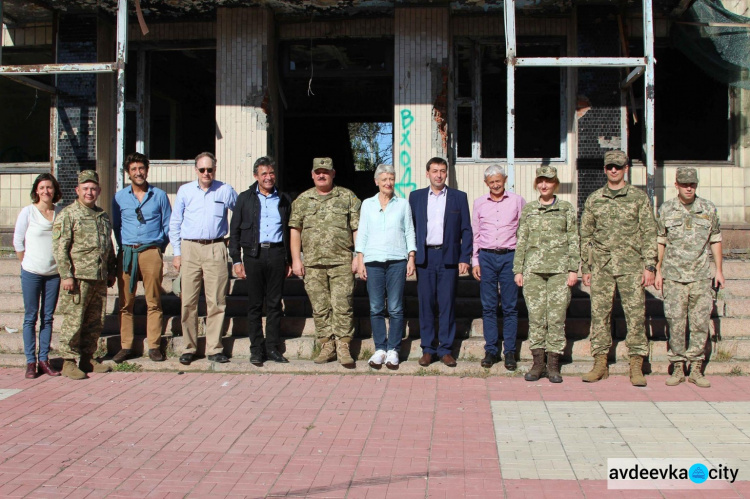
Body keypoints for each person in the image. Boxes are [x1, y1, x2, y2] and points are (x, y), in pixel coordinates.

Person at [580, 150, 657, 386]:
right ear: (605, 170)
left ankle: (636, 365)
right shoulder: (594, 199)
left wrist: (650, 265)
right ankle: (600, 363)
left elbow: (649, 232)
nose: (614, 170)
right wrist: (586, 266)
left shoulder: (638, 198)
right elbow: (586, 235)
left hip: (631, 265)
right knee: (599, 315)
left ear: (626, 169)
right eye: (610, 167)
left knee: (635, 316)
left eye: (618, 166)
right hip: (602, 266)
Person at [656, 167, 724, 388]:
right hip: (674, 276)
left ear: (696, 185)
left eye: (692, 184)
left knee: (699, 323)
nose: (688, 188)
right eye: (684, 184)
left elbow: (715, 239)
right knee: (675, 322)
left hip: (701, 276)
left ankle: (695, 367)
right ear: (676, 185)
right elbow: (660, 241)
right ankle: (677, 366)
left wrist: (719, 270)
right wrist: (658, 270)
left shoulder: (707, 209)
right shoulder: (666, 209)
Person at [289, 157, 361, 367]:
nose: (322, 175)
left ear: (333, 173)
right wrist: (296, 259)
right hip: (312, 263)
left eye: (326, 172)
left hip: (341, 262)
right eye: (318, 172)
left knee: (343, 305)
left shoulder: (347, 197)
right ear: (312, 174)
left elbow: (357, 228)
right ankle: (327, 345)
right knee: (320, 307)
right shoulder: (302, 200)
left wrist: (358, 256)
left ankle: (344, 346)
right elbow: (295, 230)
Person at [170, 152, 237, 365]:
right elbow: (175, 222)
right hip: (190, 248)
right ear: (196, 170)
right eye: (202, 170)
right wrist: (177, 253)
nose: (206, 173)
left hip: (216, 247)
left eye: (210, 169)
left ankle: (214, 348)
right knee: (188, 301)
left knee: (216, 301)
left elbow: (242, 212)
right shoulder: (185, 191)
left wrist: (234, 240)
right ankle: (189, 347)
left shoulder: (225, 190)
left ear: (215, 170)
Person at [513, 166, 579, 383]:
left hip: (559, 272)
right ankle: (537, 364)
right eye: (540, 181)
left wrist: (573, 269)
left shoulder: (566, 209)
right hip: (533, 272)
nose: (544, 185)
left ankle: (553, 366)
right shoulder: (530, 209)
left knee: (557, 318)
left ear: (555, 183)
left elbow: (573, 239)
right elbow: (521, 240)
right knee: (536, 318)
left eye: (548, 181)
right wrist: (518, 269)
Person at [52, 170, 117, 380]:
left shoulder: (102, 215)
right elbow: (60, 249)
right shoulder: (68, 214)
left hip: (98, 277)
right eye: (85, 189)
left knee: (94, 321)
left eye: (93, 189)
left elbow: (108, 245)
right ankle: (69, 362)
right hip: (78, 278)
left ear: (98, 191)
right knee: (74, 321)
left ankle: (87, 358)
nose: (89, 192)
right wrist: (66, 275)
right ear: (77, 190)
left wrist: (111, 270)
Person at [409, 157, 472, 368]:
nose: (438, 175)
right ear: (427, 173)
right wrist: (410, 257)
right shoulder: (416, 197)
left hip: (449, 257)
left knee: (446, 304)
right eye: (434, 171)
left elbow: (466, 229)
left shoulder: (458, 197)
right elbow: (410, 228)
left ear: (446, 174)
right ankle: (428, 349)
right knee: (426, 304)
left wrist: (465, 257)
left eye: (442, 171)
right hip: (425, 257)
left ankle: (445, 349)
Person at [229, 157, 293, 366]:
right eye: (264, 174)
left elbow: (289, 231)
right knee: (255, 304)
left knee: (275, 304)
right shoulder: (245, 198)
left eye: (271, 173)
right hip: (253, 255)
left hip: (276, 254)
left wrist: (290, 260)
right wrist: (236, 259)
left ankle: (272, 347)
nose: (268, 177)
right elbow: (235, 230)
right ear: (256, 176)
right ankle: (256, 349)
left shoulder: (284, 199)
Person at [111, 152, 172, 364]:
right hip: (128, 252)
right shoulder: (119, 197)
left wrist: (158, 249)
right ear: (128, 172)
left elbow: (167, 226)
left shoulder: (159, 196)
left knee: (153, 300)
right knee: (126, 302)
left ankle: (154, 345)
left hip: (151, 251)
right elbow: (116, 226)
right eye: (134, 169)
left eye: (141, 168)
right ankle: (126, 345)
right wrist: (124, 246)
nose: (138, 172)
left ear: (147, 170)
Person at [356, 164, 416, 370]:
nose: (388, 183)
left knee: (396, 308)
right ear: (377, 182)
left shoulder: (402, 204)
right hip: (373, 261)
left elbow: (409, 230)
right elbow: (362, 231)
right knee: (375, 307)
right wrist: (360, 258)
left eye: (391, 179)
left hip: (397, 260)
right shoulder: (367, 204)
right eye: (384, 179)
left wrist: (411, 257)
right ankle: (380, 348)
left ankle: (394, 350)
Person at [471, 165, 525, 370]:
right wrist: (475, 261)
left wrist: (520, 262)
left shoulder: (517, 201)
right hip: (486, 257)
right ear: (486, 183)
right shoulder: (479, 204)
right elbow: (475, 234)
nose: (495, 184)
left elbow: (524, 231)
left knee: (510, 306)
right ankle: (491, 350)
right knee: (489, 306)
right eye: (491, 182)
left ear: (505, 179)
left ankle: (510, 351)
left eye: (498, 180)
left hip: (509, 257)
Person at [13, 173, 63, 378]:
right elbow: (18, 242)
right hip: (31, 272)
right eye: (42, 188)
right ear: (36, 191)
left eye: (49, 187)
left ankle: (44, 359)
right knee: (30, 317)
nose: (46, 191)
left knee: (48, 317)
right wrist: (26, 263)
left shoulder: (60, 213)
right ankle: (30, 362)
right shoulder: (28, 212)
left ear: (55, 191)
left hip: (54, 274)